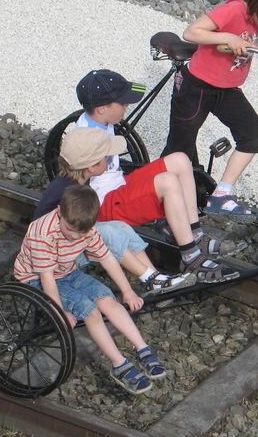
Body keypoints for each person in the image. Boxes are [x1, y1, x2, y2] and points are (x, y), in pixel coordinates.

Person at [74, 74, 240, 283]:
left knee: (180, 160)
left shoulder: (98, 119)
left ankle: (195, 233)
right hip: (106, 204)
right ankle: (190, 256)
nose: (126, 106)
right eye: (123, 102)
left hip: (117, 184)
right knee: (168, 182)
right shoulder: (87, 138)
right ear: (102, 108)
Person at [161, 0, 258, 218]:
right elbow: (191, 32)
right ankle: (161, 200)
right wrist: (228, 38)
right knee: (179, 149)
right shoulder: (234, 10)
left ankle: (221, 195)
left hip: (227, 89)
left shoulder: (253, 0)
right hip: (198, 87)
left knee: (254, 133)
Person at [13, 183, 165, 395]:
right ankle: (119, 364)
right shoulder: (42, 234)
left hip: (67, 271)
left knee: (108, 299)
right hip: (36, 279)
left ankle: (142, 348)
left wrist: (127, 290)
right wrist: (59, 314)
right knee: (90, 311)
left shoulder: (87, 229)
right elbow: (47, 279)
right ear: (59, 213)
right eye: (69, 230)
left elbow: (108, 259)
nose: (75, 237)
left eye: (80, 233)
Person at [34, 130, 196, 297]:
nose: (108, 160)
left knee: (120, 227)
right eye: (106, 157)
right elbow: (45, 234)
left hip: (69, 243)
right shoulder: (66, 192)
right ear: (91, 167)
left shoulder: (77, 181)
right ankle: (149, 278)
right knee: (107, 232)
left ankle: (156, 280)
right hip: (56, 257)